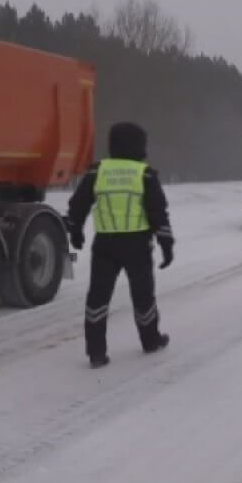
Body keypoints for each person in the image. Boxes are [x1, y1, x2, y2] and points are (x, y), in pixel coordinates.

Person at [67, 121, 174, 368]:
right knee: (143, 296)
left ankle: (96, 353)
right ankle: (150, 341)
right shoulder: (144, 174)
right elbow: (159, 213)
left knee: (97, 298)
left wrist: (76, 230)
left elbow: (78, 204)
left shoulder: (98, 172)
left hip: (104, 244)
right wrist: (166, 244)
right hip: (137, 244)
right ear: (139, 145)